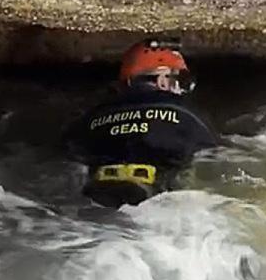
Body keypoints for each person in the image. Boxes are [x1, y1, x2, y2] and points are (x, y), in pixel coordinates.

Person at [65, 39, 219, 207]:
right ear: (162, 80)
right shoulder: (187, 115)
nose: (183, 89)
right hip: (158, 192)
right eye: (182, 82)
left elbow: (67, 149)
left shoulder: (90, 117)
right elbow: (212, 154)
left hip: (97, 187)